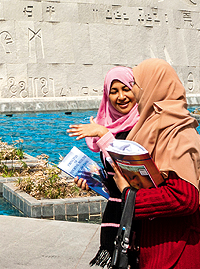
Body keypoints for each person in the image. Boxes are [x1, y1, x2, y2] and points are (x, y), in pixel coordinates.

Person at [107, 59, 200, 269]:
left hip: (184, 253)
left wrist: (128, 194)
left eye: (135, 85)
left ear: (153, 87)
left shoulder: (176, 132)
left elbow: (185, 196)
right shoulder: (165, 126)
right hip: (169, 246)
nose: (132, 92)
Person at [67, 67, 141, 267]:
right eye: (114, 91)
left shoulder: (143, 126)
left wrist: (102, 133)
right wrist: (95, 181)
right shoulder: (111, 127)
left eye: (126, 89)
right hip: (116, 214)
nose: (121, 96)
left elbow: (132, 170)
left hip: (138, 218)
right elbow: (116, 176)